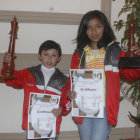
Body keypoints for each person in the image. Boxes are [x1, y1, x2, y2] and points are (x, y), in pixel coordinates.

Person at [64, 10, 140, 140]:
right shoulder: (78, 54)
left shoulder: (116, 51)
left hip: (104, 107)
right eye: (89, 27)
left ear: (105, 27)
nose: (94, 31)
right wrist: (69, 93)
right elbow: (72, 81)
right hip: (83, 107)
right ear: (84, 30)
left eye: (98, 26)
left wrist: (136, 58)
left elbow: (130, 75)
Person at [1, 40, 71, 140]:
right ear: (39, 56)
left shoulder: (64, 80)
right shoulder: (28, 73)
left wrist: (61, 109)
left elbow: (67, 102)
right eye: (46, 54)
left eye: (54, 55)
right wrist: (7, 63)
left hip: (51, 128)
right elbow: (9, 79)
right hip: (31, 126)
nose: (49, 58)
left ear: (59, 58)